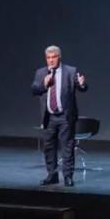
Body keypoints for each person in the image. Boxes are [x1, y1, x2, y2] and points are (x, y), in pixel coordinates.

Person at [30, 45, 88, 186]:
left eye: (53, 57)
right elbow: (34, 90)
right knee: (49, 147)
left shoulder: (70, 71)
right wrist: (44, 85)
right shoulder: (41, 72)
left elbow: (81, 88)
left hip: (65, 116)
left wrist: (82, 84)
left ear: (59, 57)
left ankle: (68, 177)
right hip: (49, 117)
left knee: (67, 147)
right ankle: (52, 175)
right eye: (48, 58)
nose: (50, 60)